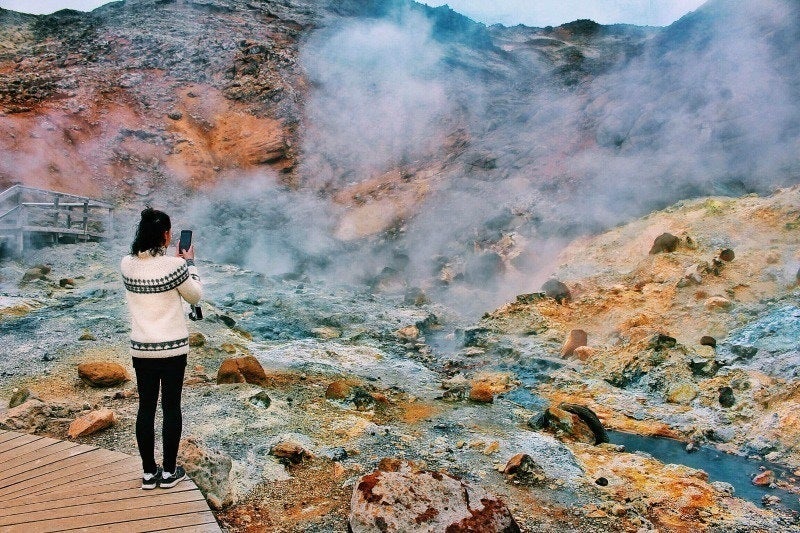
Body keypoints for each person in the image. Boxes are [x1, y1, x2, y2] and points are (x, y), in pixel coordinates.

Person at [121, 207, 202, 490]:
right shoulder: (175, 267)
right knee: (171, 408)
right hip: (172, 351)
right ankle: (168, 473)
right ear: (167, 235)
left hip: (142, 349)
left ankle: (147, 473)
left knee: (145, 408)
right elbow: (195, 295)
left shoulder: (126, 264)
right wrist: (189, 263)